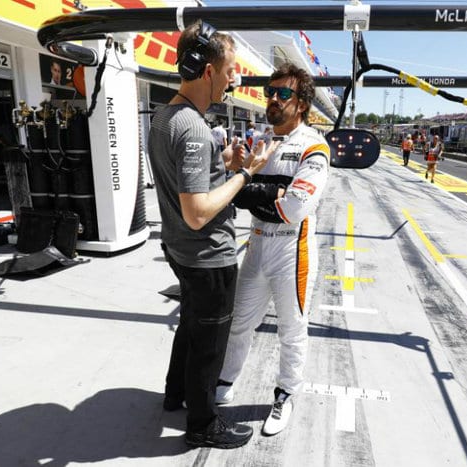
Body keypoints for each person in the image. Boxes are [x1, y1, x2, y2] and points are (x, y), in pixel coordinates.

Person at [147, 20, 269, 450]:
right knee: (209, 344)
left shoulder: (165, 116)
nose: (235, 78)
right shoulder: (196, 129)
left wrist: (222, 163)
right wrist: (243, 173)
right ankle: (202, 425)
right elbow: (197, 212)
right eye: (230, 68)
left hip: (178, 249)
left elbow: (183, 174)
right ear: (207, 71)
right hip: (207, 256)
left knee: (190, 326)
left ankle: (175, 393)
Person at [216, 62, 329, 437]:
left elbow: (294, 208)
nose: (274, 99)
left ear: (302, 103)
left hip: (292, 254)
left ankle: (285, 395)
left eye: (284, 94)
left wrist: (250, 190)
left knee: (292, 331)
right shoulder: (260, 141)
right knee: (239, 324)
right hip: (258, 244)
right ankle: (224, 382)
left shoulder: (313, 145)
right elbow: (236, 192)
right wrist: (267, 192)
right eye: (270, 92)